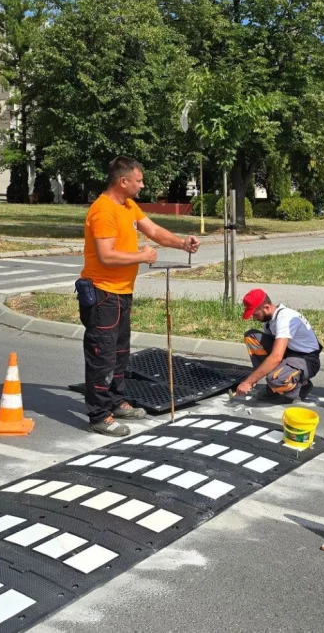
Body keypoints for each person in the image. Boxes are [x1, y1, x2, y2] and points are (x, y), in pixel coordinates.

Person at [77, 156, 200, 436]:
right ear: (123, 181)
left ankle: (117, 402)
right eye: (138, 180)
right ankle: (99, 416)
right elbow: (106, 256)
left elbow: (154, 230)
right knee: (102, 356)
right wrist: (141, 256)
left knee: (120, 353)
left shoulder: (128, 206)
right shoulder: (103, 211)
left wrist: (182, 243)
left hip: (121, 293)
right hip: (102, 293)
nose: (142, 185)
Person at [235, 288, 322, 401]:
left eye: (255, 314)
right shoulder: (270, 319)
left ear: (266, 307)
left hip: (307, 359)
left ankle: (301, 385)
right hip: (289, 352)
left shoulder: (285, 319)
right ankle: (274, 385)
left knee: (275, 379)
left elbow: (276, 357)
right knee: (251, 337)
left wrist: (248, 382)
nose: (254, 318)